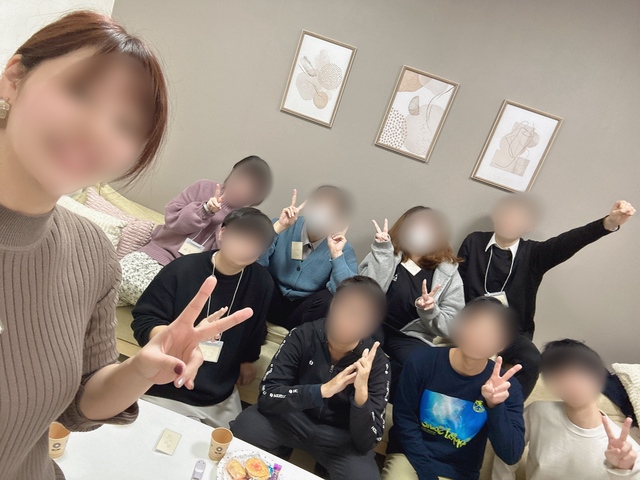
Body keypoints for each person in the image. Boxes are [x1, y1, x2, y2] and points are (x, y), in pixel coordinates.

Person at [0, 12, 253, 480]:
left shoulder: (92, 253)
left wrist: (142, 369)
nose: (98, 129)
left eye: (125, 125)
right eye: (79, 91)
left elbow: (81, 402)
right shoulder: (202, 195)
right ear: (14, 78)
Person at [457, 195, 636, 398]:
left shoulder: (535, 253)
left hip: (511, 333)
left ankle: (507, 409)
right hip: (473, 325)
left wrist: (609, 223)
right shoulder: (474, 241)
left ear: (529, 226)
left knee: (531, 359)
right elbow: (456, 284)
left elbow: (570, 241)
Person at [231, 276, 390, 480]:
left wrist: (361, 397)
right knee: (245, 428)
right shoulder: (303, 335)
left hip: (340, 436)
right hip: (291, 416)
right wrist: (321, 391)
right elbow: (268, 396)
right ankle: (280, 450)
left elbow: (367, 441)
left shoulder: (377, 363)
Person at [131, 208, 275, 427]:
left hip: (219, 394)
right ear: (222, 233)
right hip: (166, 383)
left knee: (228, 444)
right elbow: (144, 319)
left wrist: (247, 360)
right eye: (240, 236)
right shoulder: (182, 269)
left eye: (255, 243)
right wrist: (177, 338)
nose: (246, 245)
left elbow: (255, 329)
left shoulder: (262, 282)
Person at [382, 297, 525, 480]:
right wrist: (428, 473)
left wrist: (495, 406)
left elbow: (511, 454)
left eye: (491, 333)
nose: (480, 337)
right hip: (409, 457)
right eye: (475, 327)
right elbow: (404, 420)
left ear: (501, 344)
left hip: (459, 471)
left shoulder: (506, 387)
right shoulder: (422, 361)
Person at [118, 155, 272, 305]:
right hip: (159, 255)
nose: (241, 188)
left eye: (251, 187)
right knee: (123, 277)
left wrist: (228, 226)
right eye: (240, 179)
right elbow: (172, 220)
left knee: (188, 306)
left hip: (190, 274)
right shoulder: (203, 187)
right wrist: (205, 210)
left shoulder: (245, 219)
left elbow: (226, 259)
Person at [492, 339, 640, 480]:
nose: (570, 382)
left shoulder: (624, 447)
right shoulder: (537, 413)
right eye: (559, 376)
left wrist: (623, 471)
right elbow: (506, 453)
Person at [359, 207, 465, 398]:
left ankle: (387, 402)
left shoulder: (448, 272)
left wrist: (431, 310)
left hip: (410, 336)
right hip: (372, 324)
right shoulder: (386, 251)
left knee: (423, 367)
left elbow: (452, 327)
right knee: (360, 348)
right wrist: (382, 254)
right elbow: (363, 292)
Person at [259, 185, 358, 330]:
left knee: (327, 299)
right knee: (258, 274)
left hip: (304, 310)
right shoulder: (283, 225)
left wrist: (337, 256)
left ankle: (300, 338)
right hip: (271, 298)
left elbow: (345, 295)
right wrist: (278, 228)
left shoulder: (343, 247)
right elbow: (254, 261)